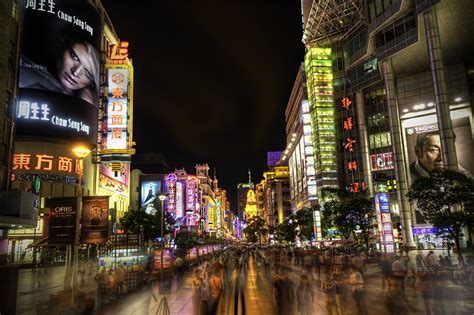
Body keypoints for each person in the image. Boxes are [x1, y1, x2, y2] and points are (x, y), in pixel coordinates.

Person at [20, 37, 99, 105]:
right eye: (74, 57)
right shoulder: (24, 69)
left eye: (88, 73)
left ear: (92, 82)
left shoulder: (88, 100)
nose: (75, 72)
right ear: (63, 46)